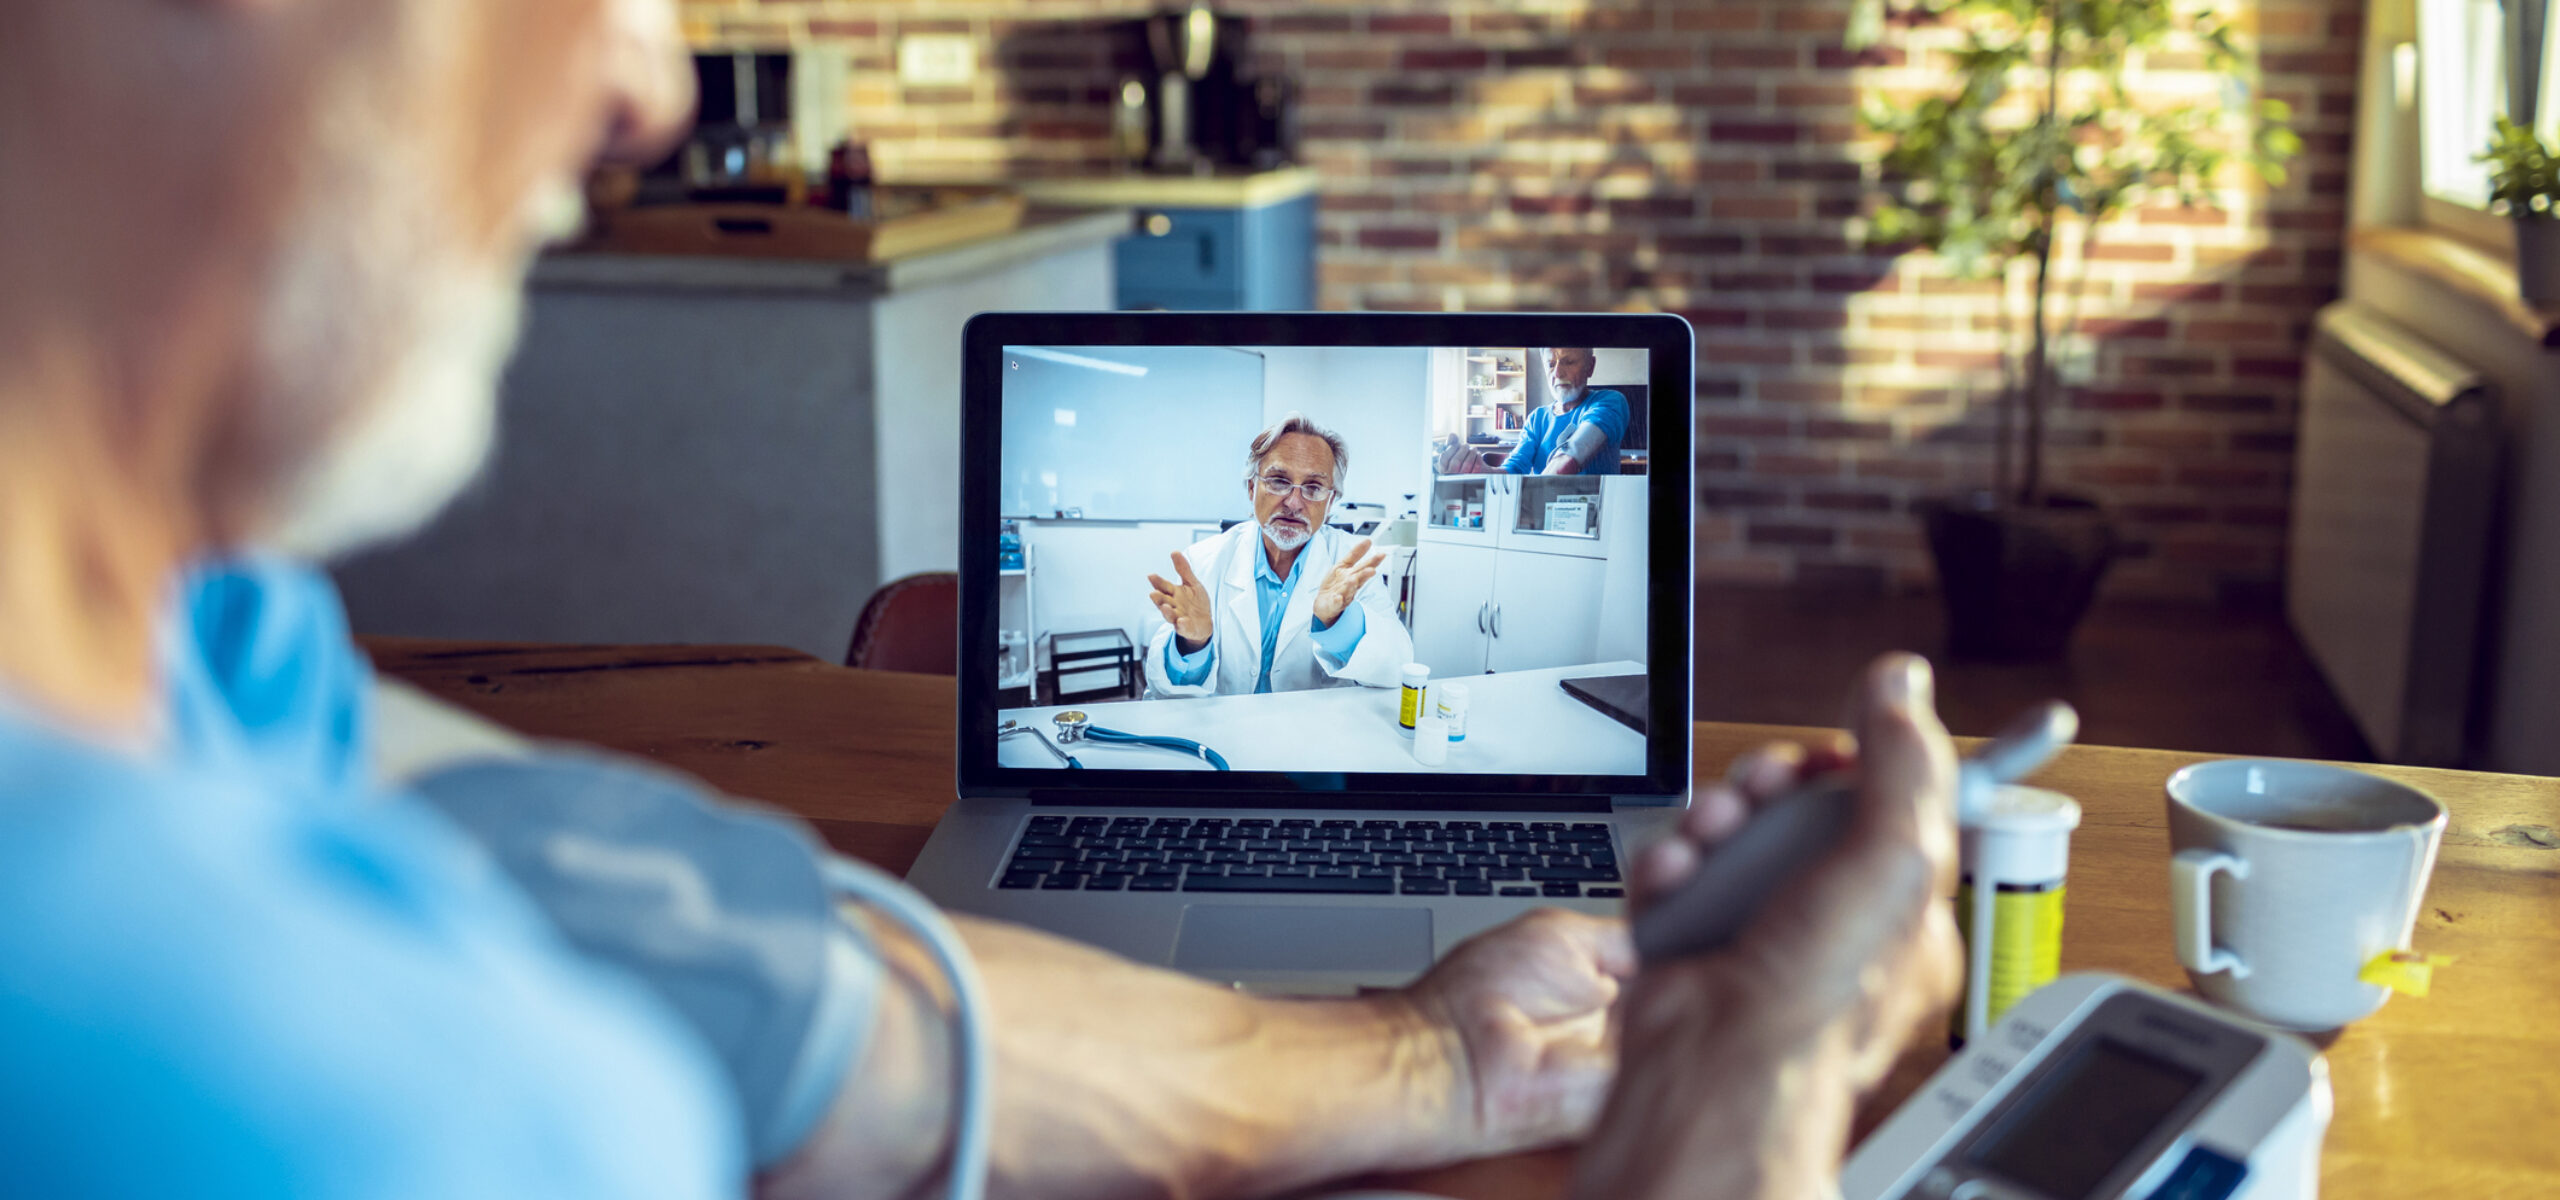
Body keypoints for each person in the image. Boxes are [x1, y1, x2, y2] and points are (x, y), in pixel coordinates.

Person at [0, 1, 1961, 1196]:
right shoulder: (336, 1105)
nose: (648, 83)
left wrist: (1435, 1060)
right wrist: (1733, 1105)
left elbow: (738, 968)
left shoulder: (201, 656)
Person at [1142, 413, 1415, 698]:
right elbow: (1163, 694)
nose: (1294, 502)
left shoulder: (1354, 566)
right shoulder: (1202, 562)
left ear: (1331, 500)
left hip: (1315, 734)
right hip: (1225, 731)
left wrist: (1339, 623)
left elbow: (1398, 666)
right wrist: (1193, 645)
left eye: (1313, 488)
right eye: (1278, 481)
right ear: (1251, 488)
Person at [1437, 347, 1631, 476]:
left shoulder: (1610, 401)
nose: (1557, 373)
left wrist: (1532, 496)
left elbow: (1571, 455)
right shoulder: (1537, 418)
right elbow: (1513, 469)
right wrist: (1479, 471)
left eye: (1569, 362)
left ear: (1591, 366)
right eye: (1550, 364)